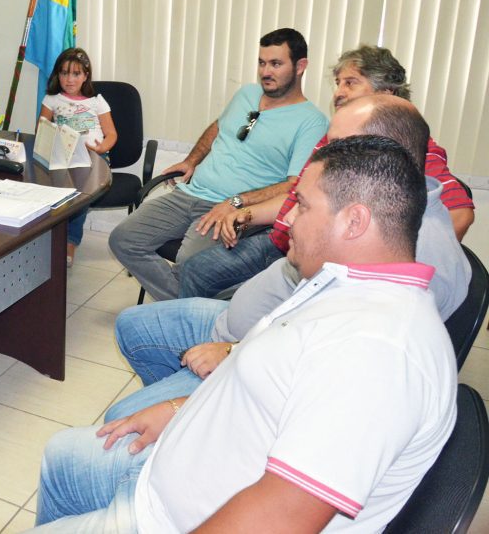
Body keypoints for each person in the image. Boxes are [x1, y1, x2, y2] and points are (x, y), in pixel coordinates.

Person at [34, 135, 457, 532]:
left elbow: (280, 517)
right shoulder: (346, 286)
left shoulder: (378, 352)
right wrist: (180, 410)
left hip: (169, 519)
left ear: (354, 221)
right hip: (179, 469)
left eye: (302, 206)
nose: (287, 217)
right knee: (60, 456)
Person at [105, 94, 470, 422]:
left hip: (253, 361)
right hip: (244, 331)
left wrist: (232, 354)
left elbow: (322, 372)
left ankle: (191, 426)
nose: (322, 156)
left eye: (339, 148)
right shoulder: (380, 210)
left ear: (387, 158)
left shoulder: (406, 250)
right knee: (132, 324)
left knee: (121, 419)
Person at [179, 44, 475, 300]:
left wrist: (375, 277)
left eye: (351, 83)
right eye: (338, 83)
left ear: (386, 92)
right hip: (281, 242)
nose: (339, 93)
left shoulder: (408, 146)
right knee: (196, 271)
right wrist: (244, 212)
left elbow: (460, 214)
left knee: (236, 297)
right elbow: (299, 198)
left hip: (316, 260)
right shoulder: (335, 138)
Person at [108, 28, 328, 301]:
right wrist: (192, 160)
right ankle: (188, 308)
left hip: (231, 209)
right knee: (123, 239)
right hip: (190, 193)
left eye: (276, 64)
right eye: (261, 63)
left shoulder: (311, 121)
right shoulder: (247, 93)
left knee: (190, 266)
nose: (265, 72)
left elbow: (294, 186)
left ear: (300, 66)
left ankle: (185, 309)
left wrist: (237, 202)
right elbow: (219, 127)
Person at [39, 48, 117, 266]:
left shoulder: (97, 102)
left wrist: (102, 148)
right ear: (58, 75)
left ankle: (70, 241)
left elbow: (111, 134)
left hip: (95, 158)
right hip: (64, 157)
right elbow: (42, 131)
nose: (69, 79)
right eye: (64, 73)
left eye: (76, 74)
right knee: (55, 190)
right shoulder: (52, 99)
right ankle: (49, 238)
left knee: (80, 193)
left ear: (85, 76)